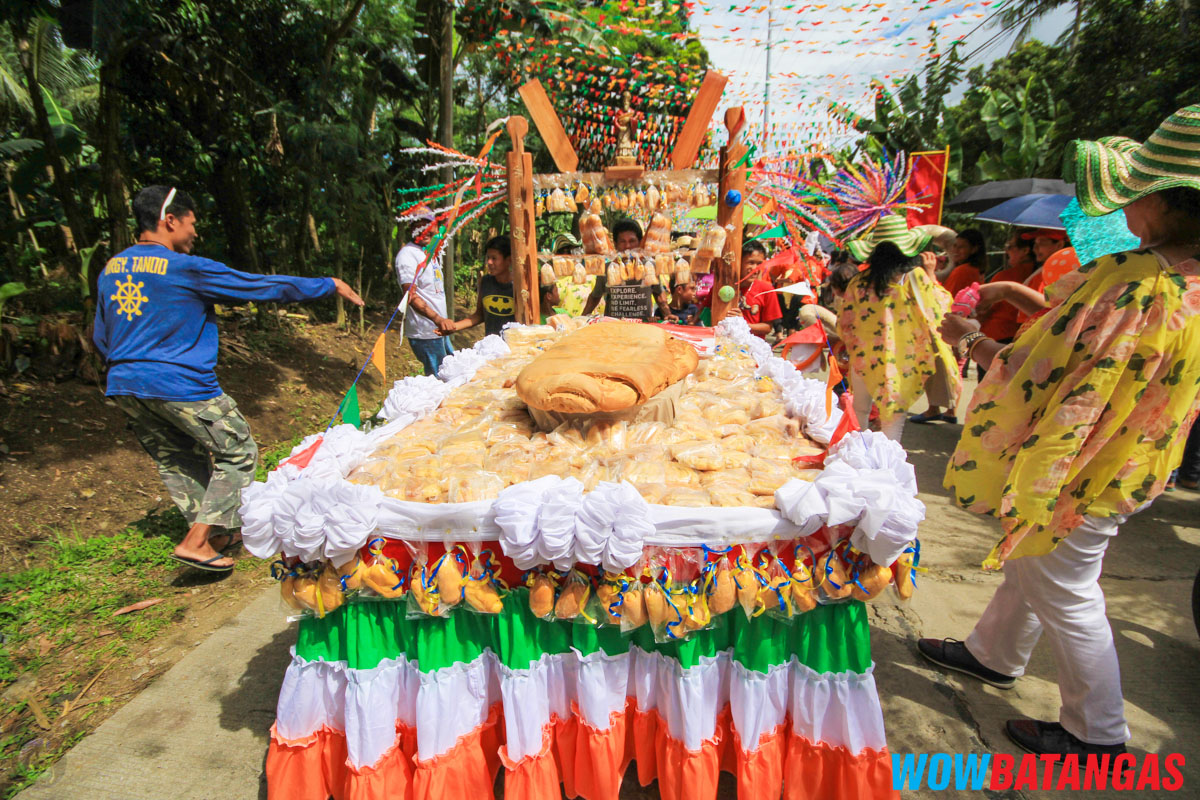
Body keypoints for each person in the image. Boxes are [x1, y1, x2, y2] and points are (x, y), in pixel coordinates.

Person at [920, 104, 1200, 765]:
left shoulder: (1136, 282)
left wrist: (975, 340)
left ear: (1161, 204)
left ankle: (1096, 732)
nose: (1125, 208)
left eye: (1137, 195)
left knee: (1066, 589)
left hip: (1080, 468)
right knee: (1036, 566)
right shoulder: (1187, 282)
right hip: (1132, 464)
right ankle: (992, 653)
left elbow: (1042, 374)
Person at [93, 185, 363, 572]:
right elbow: (258, 286)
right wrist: (326, 284)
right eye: (192, 223)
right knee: (238, 452)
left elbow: (100, 336)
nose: (195, 233)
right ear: (169, 220)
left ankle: (217, 533)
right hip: (179, 382)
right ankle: (197, 540)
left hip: (124, 384)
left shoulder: (111, 269)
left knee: (177, 457)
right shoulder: (183, 268)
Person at [835, 241, 961, 442]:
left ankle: (858, 457)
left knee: (860, 410)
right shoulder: (915, 278)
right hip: (903, 361)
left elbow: (844, 324)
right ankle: (888, 464)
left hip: (863, 359)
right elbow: (939, 308)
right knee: (894, 417)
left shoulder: (859, 282)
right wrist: (931, 274)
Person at [912, 229, 989, 423]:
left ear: (975, 248)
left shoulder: (964, 270)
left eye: (961, 246)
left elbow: (945, 297)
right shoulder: (972, 269)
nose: (955, 250)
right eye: (955, 246)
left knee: (947, 365)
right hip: (965, 324)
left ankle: (936, 408)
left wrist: (930, 273)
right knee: (957, 367)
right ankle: (950, 410)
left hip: (955, 324)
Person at [395, 207, 455, 376]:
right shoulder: (407, 255)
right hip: (425, 334)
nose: (424, 231)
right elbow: (410, 296)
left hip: (438, 331)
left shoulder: (429, 253)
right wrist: (437, 319)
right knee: (440, 381)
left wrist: (441, 322)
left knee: (452, 375)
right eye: (418, 226)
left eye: (428, 226)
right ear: (410, 229)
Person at [582, 218, 646, 316]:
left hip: (641, 326)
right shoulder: (608, 269)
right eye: (622, 241)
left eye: (632, 241)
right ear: (615, 244)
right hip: (614, 327)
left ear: (639, 243)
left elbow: (660, 296)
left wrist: (667, 313)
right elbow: (595, 297)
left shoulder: (649, 267)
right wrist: (582, 318)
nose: (627, 246)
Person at [452, 235, 513, 336]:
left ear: (509, 260)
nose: (489, 262)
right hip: (491, 346)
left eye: (494, 258)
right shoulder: (485, 281)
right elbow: (479, 315)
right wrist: (455, 327)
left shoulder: (519, 287)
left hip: (516, 346)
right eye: (488, 258)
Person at [737, 241, 783, 337]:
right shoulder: (723, 285)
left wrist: (743, 325)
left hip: (752, 349)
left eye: (759, 264)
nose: (755, 268)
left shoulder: (767, 290)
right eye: (751, 262)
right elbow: (702, 313)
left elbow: (768, 328)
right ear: (739, 261)